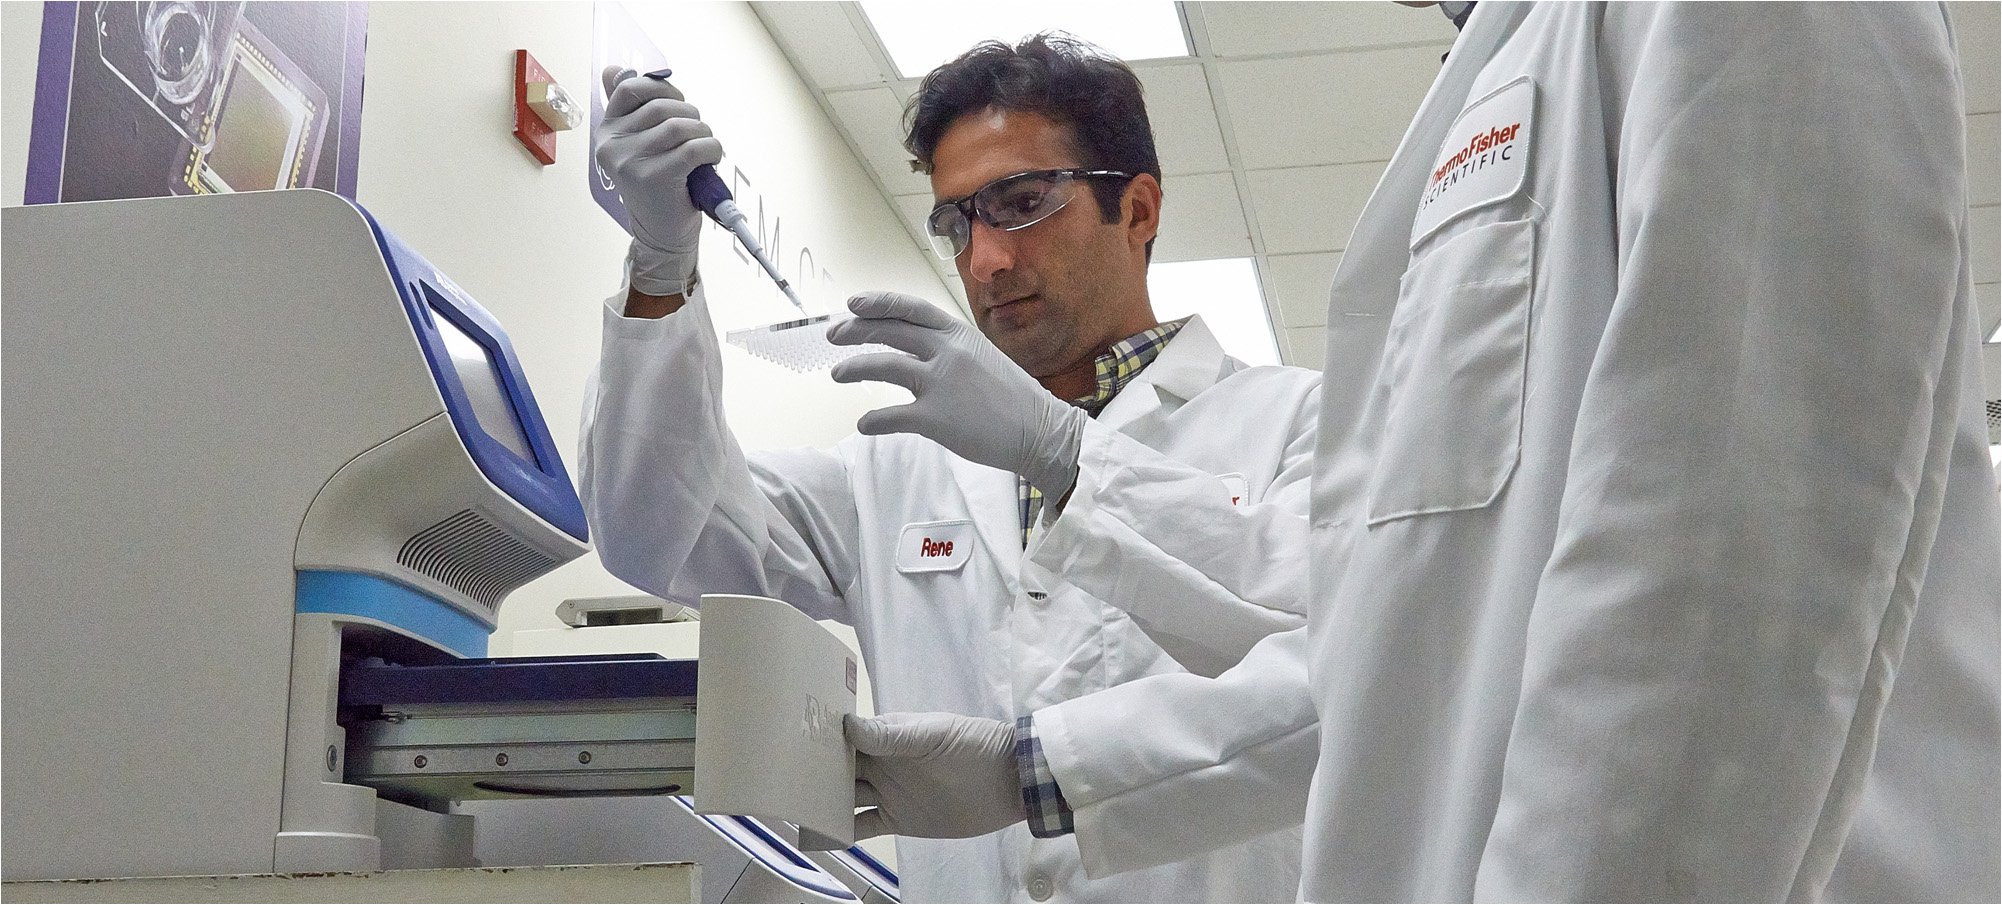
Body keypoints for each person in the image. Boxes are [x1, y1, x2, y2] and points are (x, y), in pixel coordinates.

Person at [839, 3, 2000, 901]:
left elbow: (1731, 592)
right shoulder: (1507, 66)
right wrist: (1032, 769)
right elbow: (1402, 638)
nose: (987, 256)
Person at [582, 34, 1321, 903]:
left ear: (1140, 209)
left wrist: (1060, 449)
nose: (986, 262)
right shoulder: (892, 465)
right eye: (957, 221)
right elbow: (654, 535)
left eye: (1021, 202)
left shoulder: (1303, 421)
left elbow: (1355, 664)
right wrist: (661, 268)